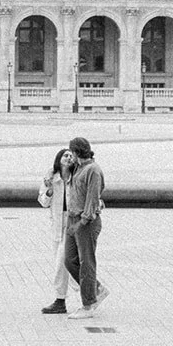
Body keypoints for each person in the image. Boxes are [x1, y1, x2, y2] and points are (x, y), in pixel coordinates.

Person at [62, 136, 109, 319]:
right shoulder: (77, 168)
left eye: (71, 152)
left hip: (86, 222)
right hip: (73, 220)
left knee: (86, 263)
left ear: (76, 152)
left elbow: (92, 199)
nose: (69, 156)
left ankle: (88, 305)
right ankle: (96, 290)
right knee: (69, 260)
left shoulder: (93, 170)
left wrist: (81, 222)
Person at [37, 147, 75, 314]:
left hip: (72, 223)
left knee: (62, 261)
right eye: (65, 155)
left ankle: (60, 300)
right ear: (59, 159)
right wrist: (49, 190)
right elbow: (43, 202)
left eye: (70, 156)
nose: (68, 158)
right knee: (64, 262)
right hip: (57, 225)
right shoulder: (51, 179)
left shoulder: (76, 177)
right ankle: (92, 292)